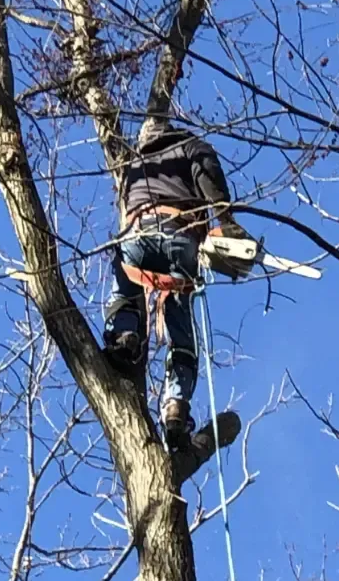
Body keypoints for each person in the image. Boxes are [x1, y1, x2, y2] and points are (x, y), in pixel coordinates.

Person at [104, 118, 243, 448]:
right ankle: (175, 406)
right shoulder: (191, 146)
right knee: (179, 325)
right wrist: (227, 223)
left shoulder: (133, 164)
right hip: (180, 237)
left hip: (136, 235)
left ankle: (126, 336)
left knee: (125, 287)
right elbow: (209, 178)